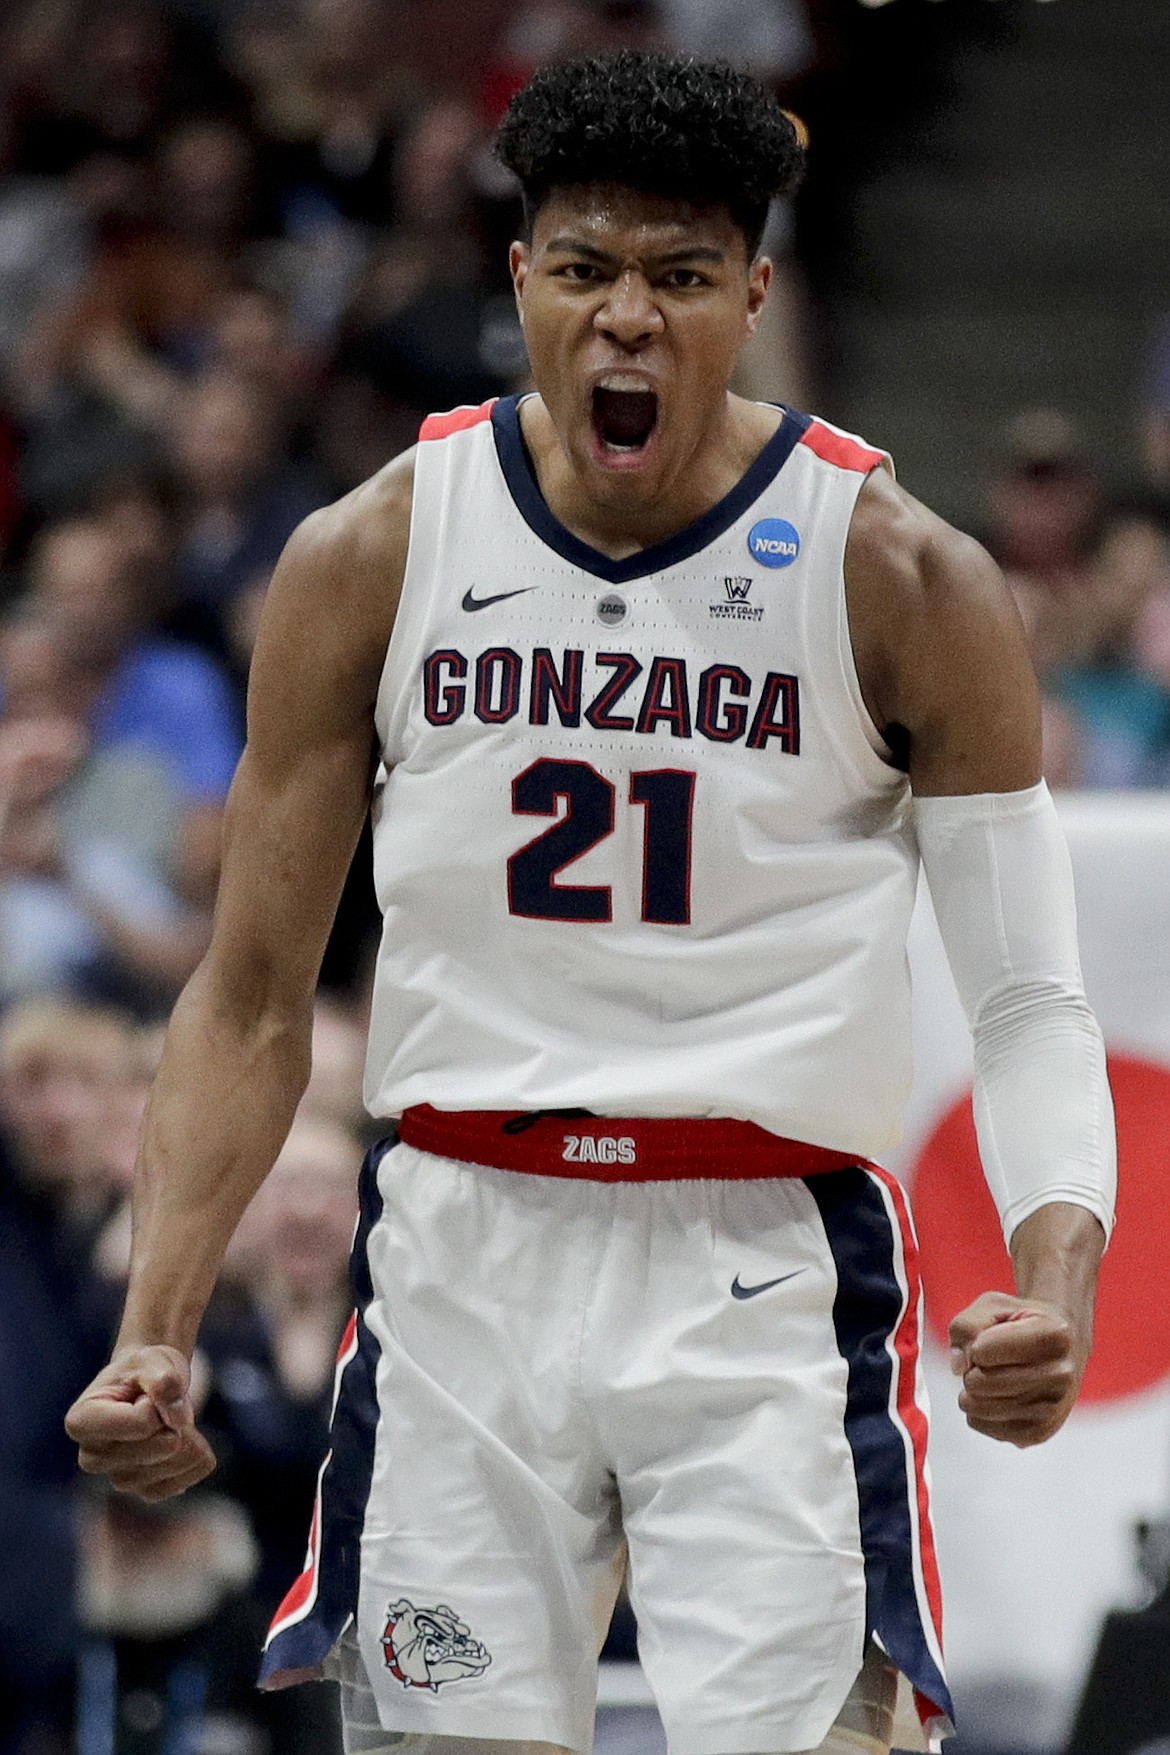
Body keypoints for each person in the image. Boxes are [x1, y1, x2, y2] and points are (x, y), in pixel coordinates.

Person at [66, 50, 1116, 1755]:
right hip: (463, 1250)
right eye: (586, 270)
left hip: (764, 1254)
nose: (627, 319)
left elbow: (1024, 999)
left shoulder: (903, 575)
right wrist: (157, 1325)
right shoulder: (374, 549)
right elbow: (251, 996)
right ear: (521, 284)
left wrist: (1055, 1274)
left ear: (752, 295)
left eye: (680, 277)